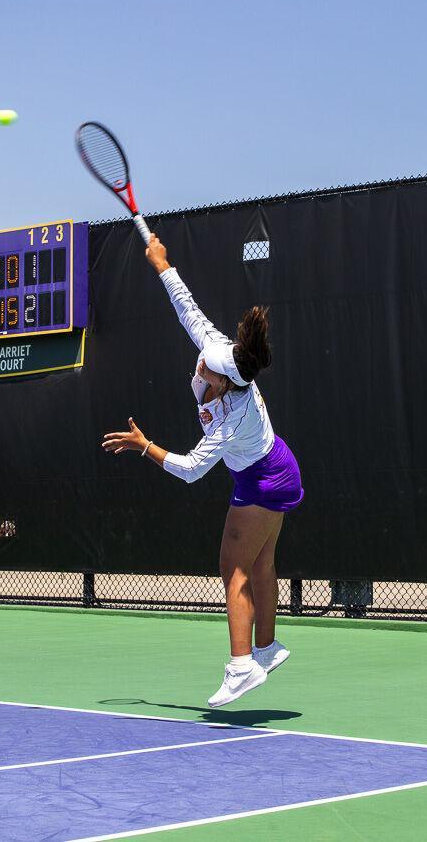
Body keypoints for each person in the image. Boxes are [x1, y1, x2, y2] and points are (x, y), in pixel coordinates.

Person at [102, 234, 304, 707]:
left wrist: (144, 445)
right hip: (276, 465)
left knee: (231, 567)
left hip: (262, 477)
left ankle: (241, 668)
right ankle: (268, 647)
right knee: (260, 563)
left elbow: (192, 470)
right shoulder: (223, 354)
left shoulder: (232, 417)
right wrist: (161, 264)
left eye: (205, 368)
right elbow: (187, 308)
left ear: (222, 381)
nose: (199, 363)